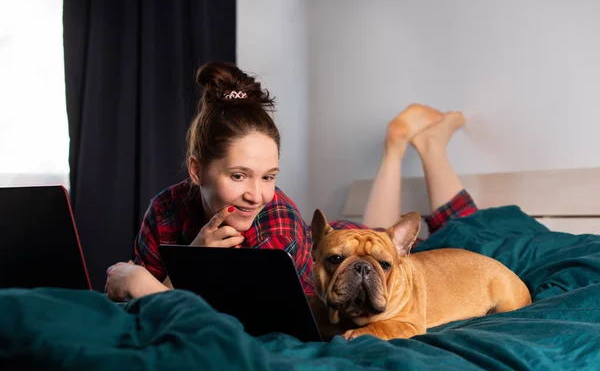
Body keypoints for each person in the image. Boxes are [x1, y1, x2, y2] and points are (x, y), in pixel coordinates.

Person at [104, 61, 477, 302]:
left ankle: (422, 148)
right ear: (197, 170)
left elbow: (243, 324)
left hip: (379, 250)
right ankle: (395, 150)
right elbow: (135, 310)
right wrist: (192, 258)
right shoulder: (166, 211)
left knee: (468, 241)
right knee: (374, 230)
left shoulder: (277, 221)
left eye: (269, 177)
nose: (256, 195)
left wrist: (145, 284)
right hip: (350, 245)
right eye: (238, 176)